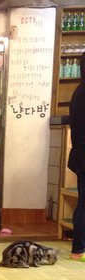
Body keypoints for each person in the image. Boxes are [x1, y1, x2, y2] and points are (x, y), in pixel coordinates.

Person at [67, 53, 85, 261]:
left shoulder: (78, 92)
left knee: (83, 202)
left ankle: (78, 248)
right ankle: (79, 248)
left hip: (79, 154)